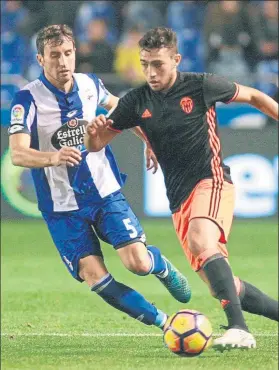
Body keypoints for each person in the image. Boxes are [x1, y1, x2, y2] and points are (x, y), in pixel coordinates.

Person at [86, 27, 279, 350]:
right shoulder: (136, 101)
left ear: (176, 59)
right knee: (223, 287)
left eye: (158, 64)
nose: (150, 72)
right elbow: (97, 144)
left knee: (201, 240)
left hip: (212, 180)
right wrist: (94, 132)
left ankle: (239, 329)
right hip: (179, 200)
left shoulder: (201, 85)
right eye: (145, 63)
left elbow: (256, 96)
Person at [8, 25, 192, 332]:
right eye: (54, 55)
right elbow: (17, 153)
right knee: (96, 278)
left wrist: (148, 139)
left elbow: (122, 108)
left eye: (68, 53)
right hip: (61, 207)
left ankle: (159, 265)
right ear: (41, 59)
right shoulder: (26, 99)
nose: (63, 61)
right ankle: (166, 324)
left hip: (104, 193)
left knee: (138, 263)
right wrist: (53, 157)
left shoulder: (90, 84)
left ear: (75, 53)